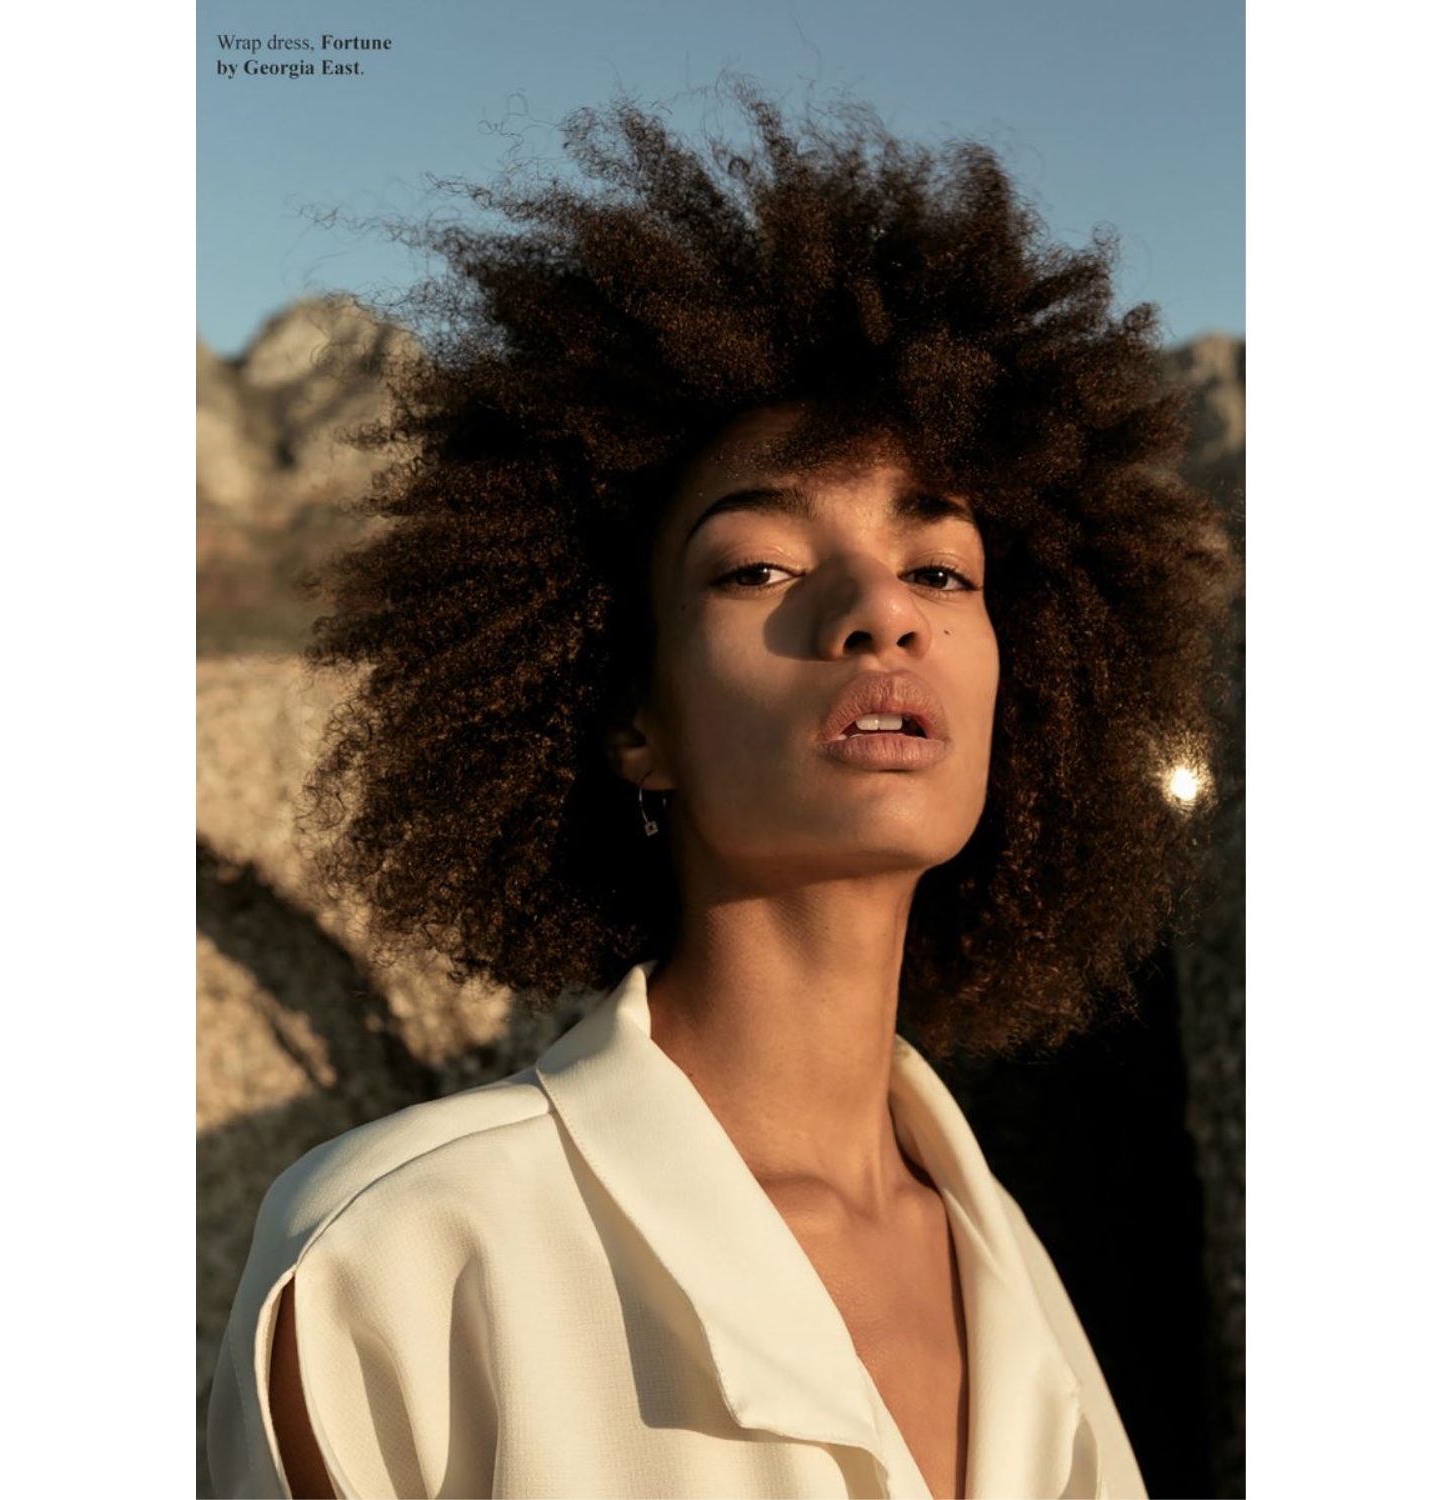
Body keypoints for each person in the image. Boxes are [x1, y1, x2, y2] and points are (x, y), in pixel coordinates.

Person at [208, 89, 1237, 1500]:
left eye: (941, 570)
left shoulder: (1017, 1276)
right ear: (637, 722)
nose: (883, 611)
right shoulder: (399, 1258)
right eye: (759, 567)